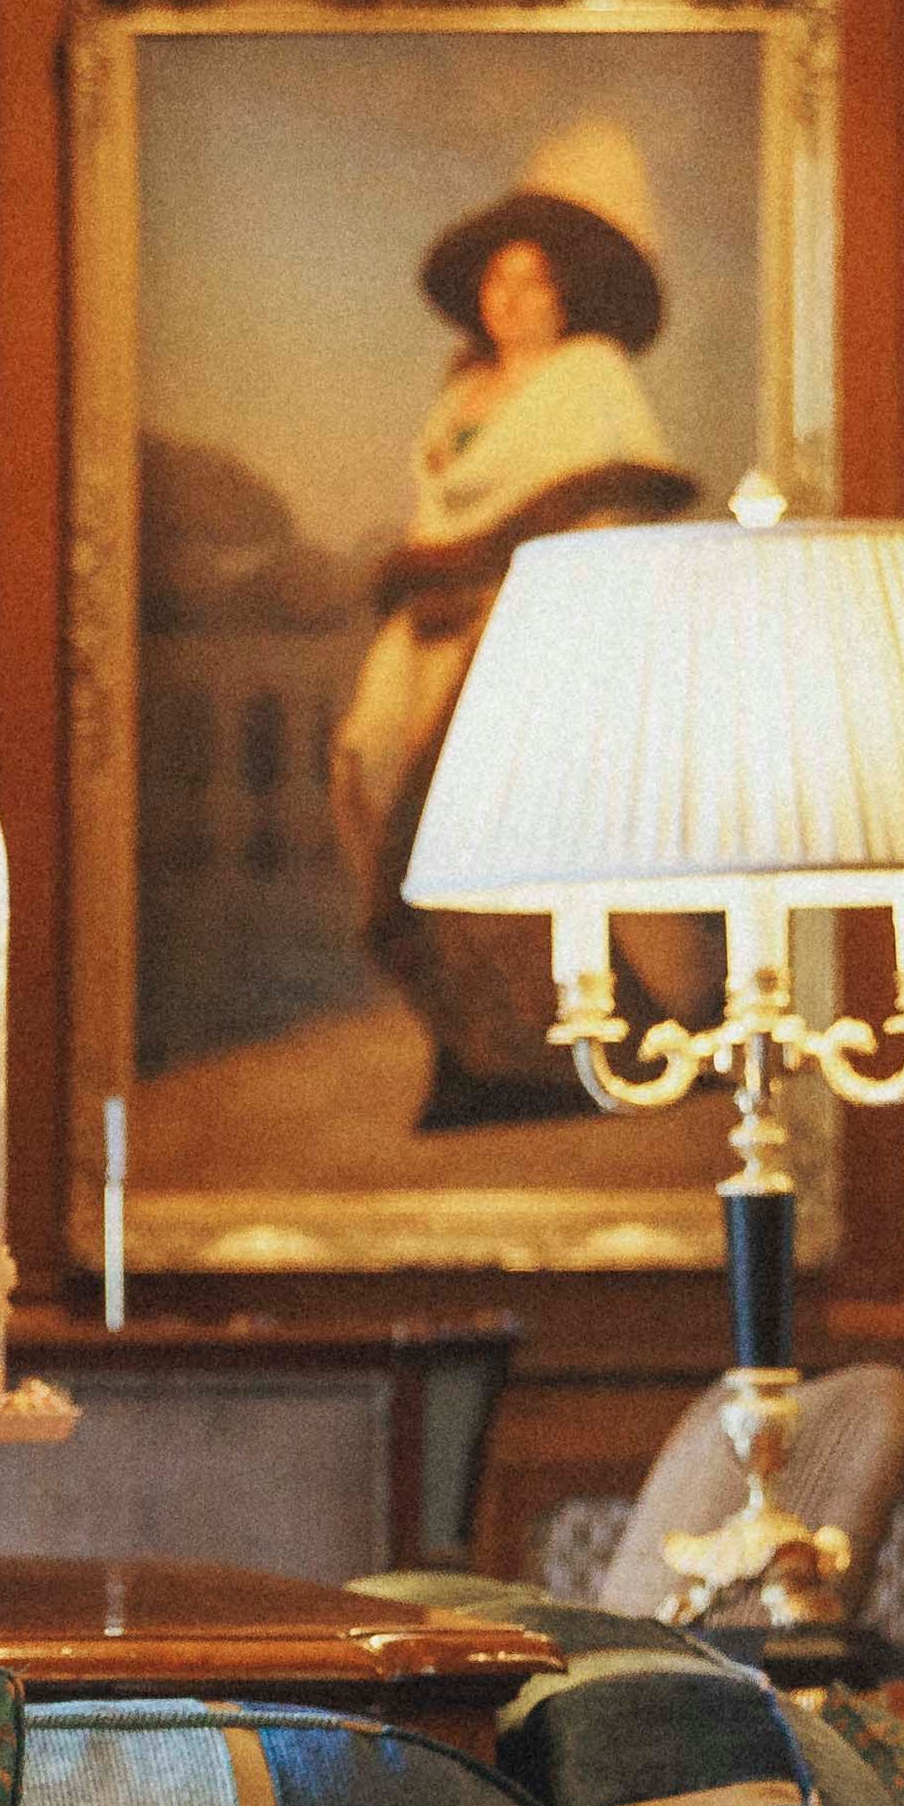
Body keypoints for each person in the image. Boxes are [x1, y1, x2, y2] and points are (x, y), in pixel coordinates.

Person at [324, 186, 713, 1130]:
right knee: (366, 769)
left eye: (533, 283)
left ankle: (559, 1055)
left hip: (540, 627)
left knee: (487, 819)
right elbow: (437, 516)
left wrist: (528, 598)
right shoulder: (462, 391)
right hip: (437, 625)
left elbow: (617, 507)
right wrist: (430, 589)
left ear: (563, 295)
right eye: (498, 282)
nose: (513, 299)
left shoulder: (593, 376)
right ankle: (476, 1040)